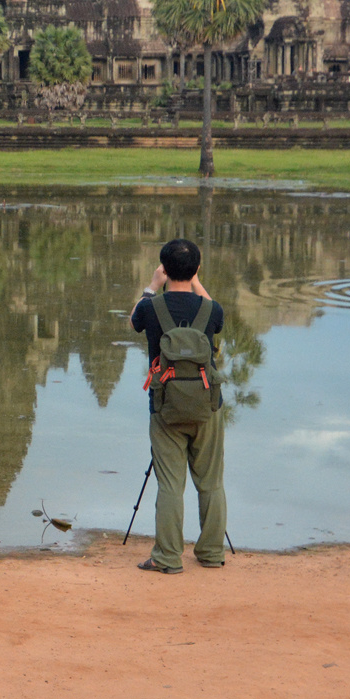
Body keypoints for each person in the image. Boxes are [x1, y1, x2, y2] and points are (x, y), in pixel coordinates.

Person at [130, 238, 227, 574]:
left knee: (170, 484)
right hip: (207, 407)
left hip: (165, 407)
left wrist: (151, 286)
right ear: (197, 269)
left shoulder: (150, 308)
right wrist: (197, 281)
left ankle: (168, 557)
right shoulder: (210, 309)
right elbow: (218, 317)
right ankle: (212, 553)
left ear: (164, 268)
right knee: (211, 482)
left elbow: (133, 321)